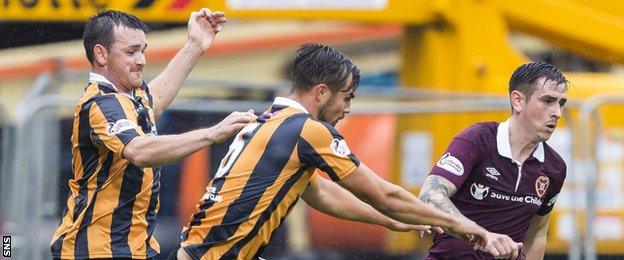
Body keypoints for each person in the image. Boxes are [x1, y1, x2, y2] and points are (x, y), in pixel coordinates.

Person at [173, 43, 497, 260]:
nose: (347, 108)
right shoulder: (309, 130)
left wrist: (393, 222)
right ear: (321, 92)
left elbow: (321, 194)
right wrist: (462, 225)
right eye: (347, 97)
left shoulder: (270, 121)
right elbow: (385, 195)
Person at [50, 9, 256, 259]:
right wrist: (212, 134)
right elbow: (139, 151)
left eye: (143, 50)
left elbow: (155, 98)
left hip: (135, 248)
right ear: (101, 54)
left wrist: (194, 46)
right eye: (131, 52)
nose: (142, 60)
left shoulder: (129, 97)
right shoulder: (102, 103)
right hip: (98, 251)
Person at [420, 61, 568, 259]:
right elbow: (429, 195)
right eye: (548, 101)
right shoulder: (477, 140)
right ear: (518, 101)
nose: (557, 113)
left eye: (561, 103)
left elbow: (537, 235)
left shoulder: (554, 167)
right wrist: (480, 236)